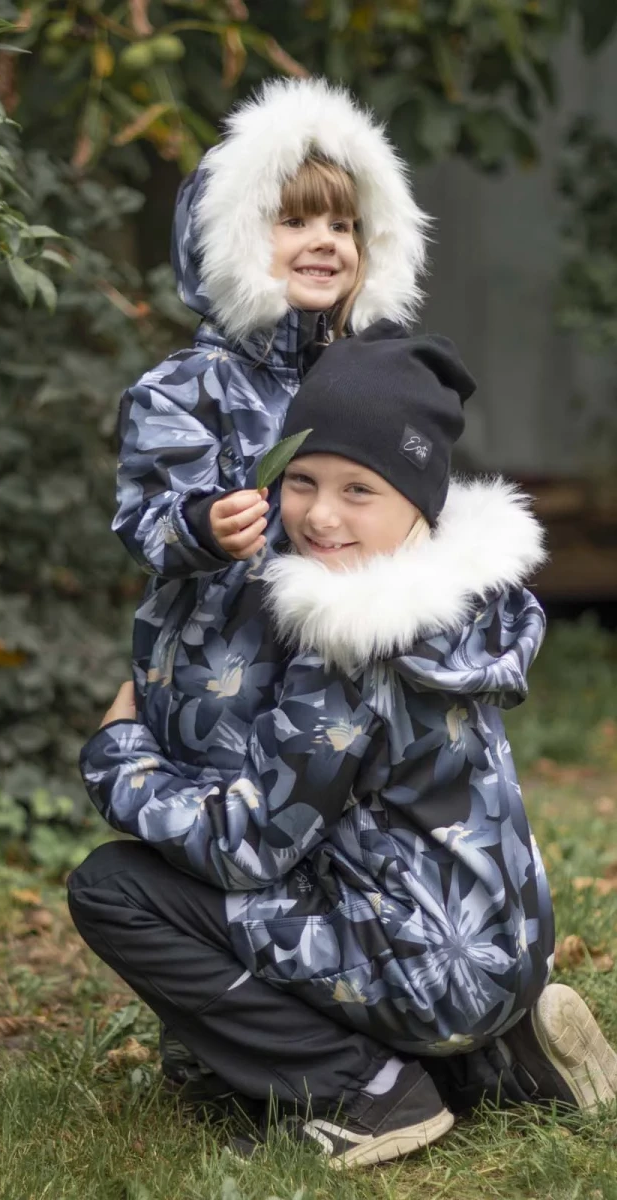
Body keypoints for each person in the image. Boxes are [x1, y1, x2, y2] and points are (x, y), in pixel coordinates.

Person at [69, 324, 617, 1170]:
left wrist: (122, 760)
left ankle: (363, 1090)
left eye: (358, 489)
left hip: (432, 971)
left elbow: (248, 846)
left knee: (114, 888)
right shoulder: (453, 607)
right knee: (329, 900)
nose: (320, 515)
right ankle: (502, 1061)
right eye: (301, 481)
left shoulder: (352, 639)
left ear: (418, 503)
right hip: (504, 952)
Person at [113, 76, 429, 745]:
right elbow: (144, 519)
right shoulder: (188, 386)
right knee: (235, 799)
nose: (326, 241)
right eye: (295, 222)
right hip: (219, 681)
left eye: (342, 225)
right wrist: (203, 525)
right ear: (231, 242)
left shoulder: (370, 378)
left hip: (343, 675)